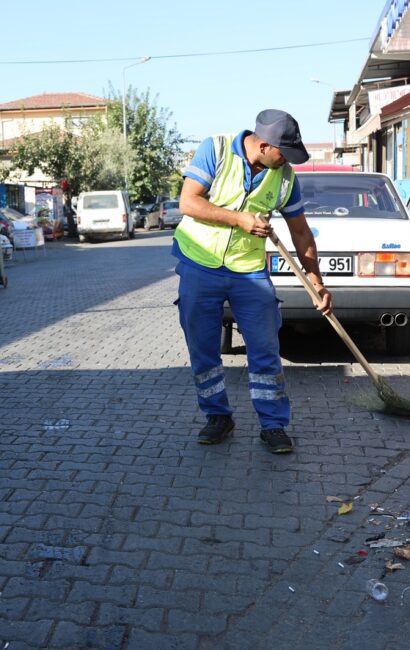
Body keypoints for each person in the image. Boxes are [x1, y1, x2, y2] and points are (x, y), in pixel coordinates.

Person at [174, 109, 331, 454]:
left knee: (265, 350)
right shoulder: (214, 150)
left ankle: (273, 425)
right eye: (283, 153)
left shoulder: (285, 177)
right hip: (200, 264)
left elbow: (301, 231)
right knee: (203, 349)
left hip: (249, 272)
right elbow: (188, 202)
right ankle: (218, 417)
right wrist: (237, 219)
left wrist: (316, 280)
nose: (288, 161)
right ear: (262, 145)